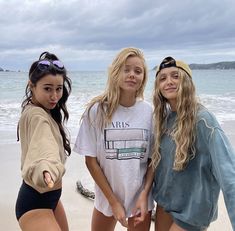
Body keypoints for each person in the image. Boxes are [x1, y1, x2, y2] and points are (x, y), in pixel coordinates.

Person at [74, 47, 154, 231]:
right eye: (126, 69)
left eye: (138, 71)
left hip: (140, 198)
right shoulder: (97, 111)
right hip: (106, 196)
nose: (132, 75)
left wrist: (144, 194)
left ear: (144, 77)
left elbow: (153, 160)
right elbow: (91, 161)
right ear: (115, 72)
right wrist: (113, 201)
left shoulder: (149, 112)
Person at [150, 56, 235, 231]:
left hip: (192, 211)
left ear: (187, 81)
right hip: (166, 204)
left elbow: (229, 175)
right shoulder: (164, 120)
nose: (169, 82)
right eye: (163, 78)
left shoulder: (204, 121)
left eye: (176, 76)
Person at [15, 51, 72, 231]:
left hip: (50, 198)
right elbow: (43, 144)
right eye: (47, 89)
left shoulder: (39, 109)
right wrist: (45, 166)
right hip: (35, 203)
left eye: (59, 88)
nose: (55, 96)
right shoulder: (37, 115)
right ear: (32, 86)